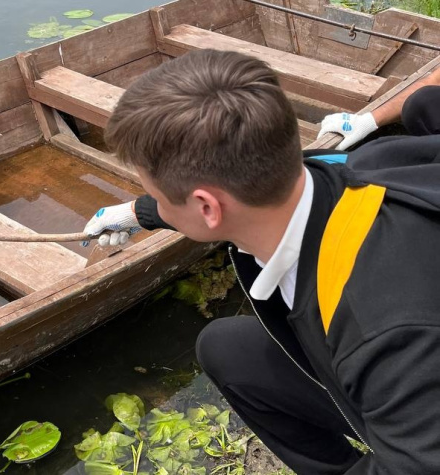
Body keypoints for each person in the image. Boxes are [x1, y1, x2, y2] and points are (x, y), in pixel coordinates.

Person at [82, 48, 440, 474]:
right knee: (228, 349)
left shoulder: (384, 333)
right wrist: (141, 213)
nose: (157, 204)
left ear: (207, 208)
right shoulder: (360, 165)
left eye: (159, 197)